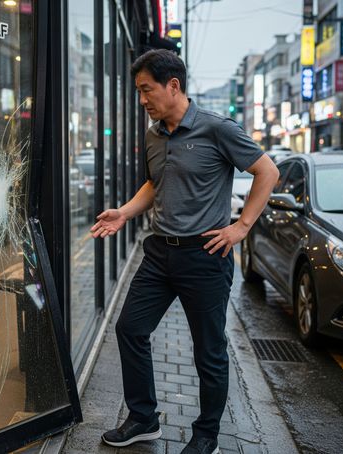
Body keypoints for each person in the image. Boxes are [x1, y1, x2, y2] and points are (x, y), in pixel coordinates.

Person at [91, 49, 279, 454]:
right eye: (139, 90)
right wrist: (123, 213)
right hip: (159, 252)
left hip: (205, 256)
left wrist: (241, 227)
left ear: (172, 85)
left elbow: (268, 171)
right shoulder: (154, 134)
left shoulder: (217, 129)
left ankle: (206, 434)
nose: (142, 99)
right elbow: (155, 183)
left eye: (147, 90)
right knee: (130, 329)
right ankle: (143, 419)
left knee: (209, 351)